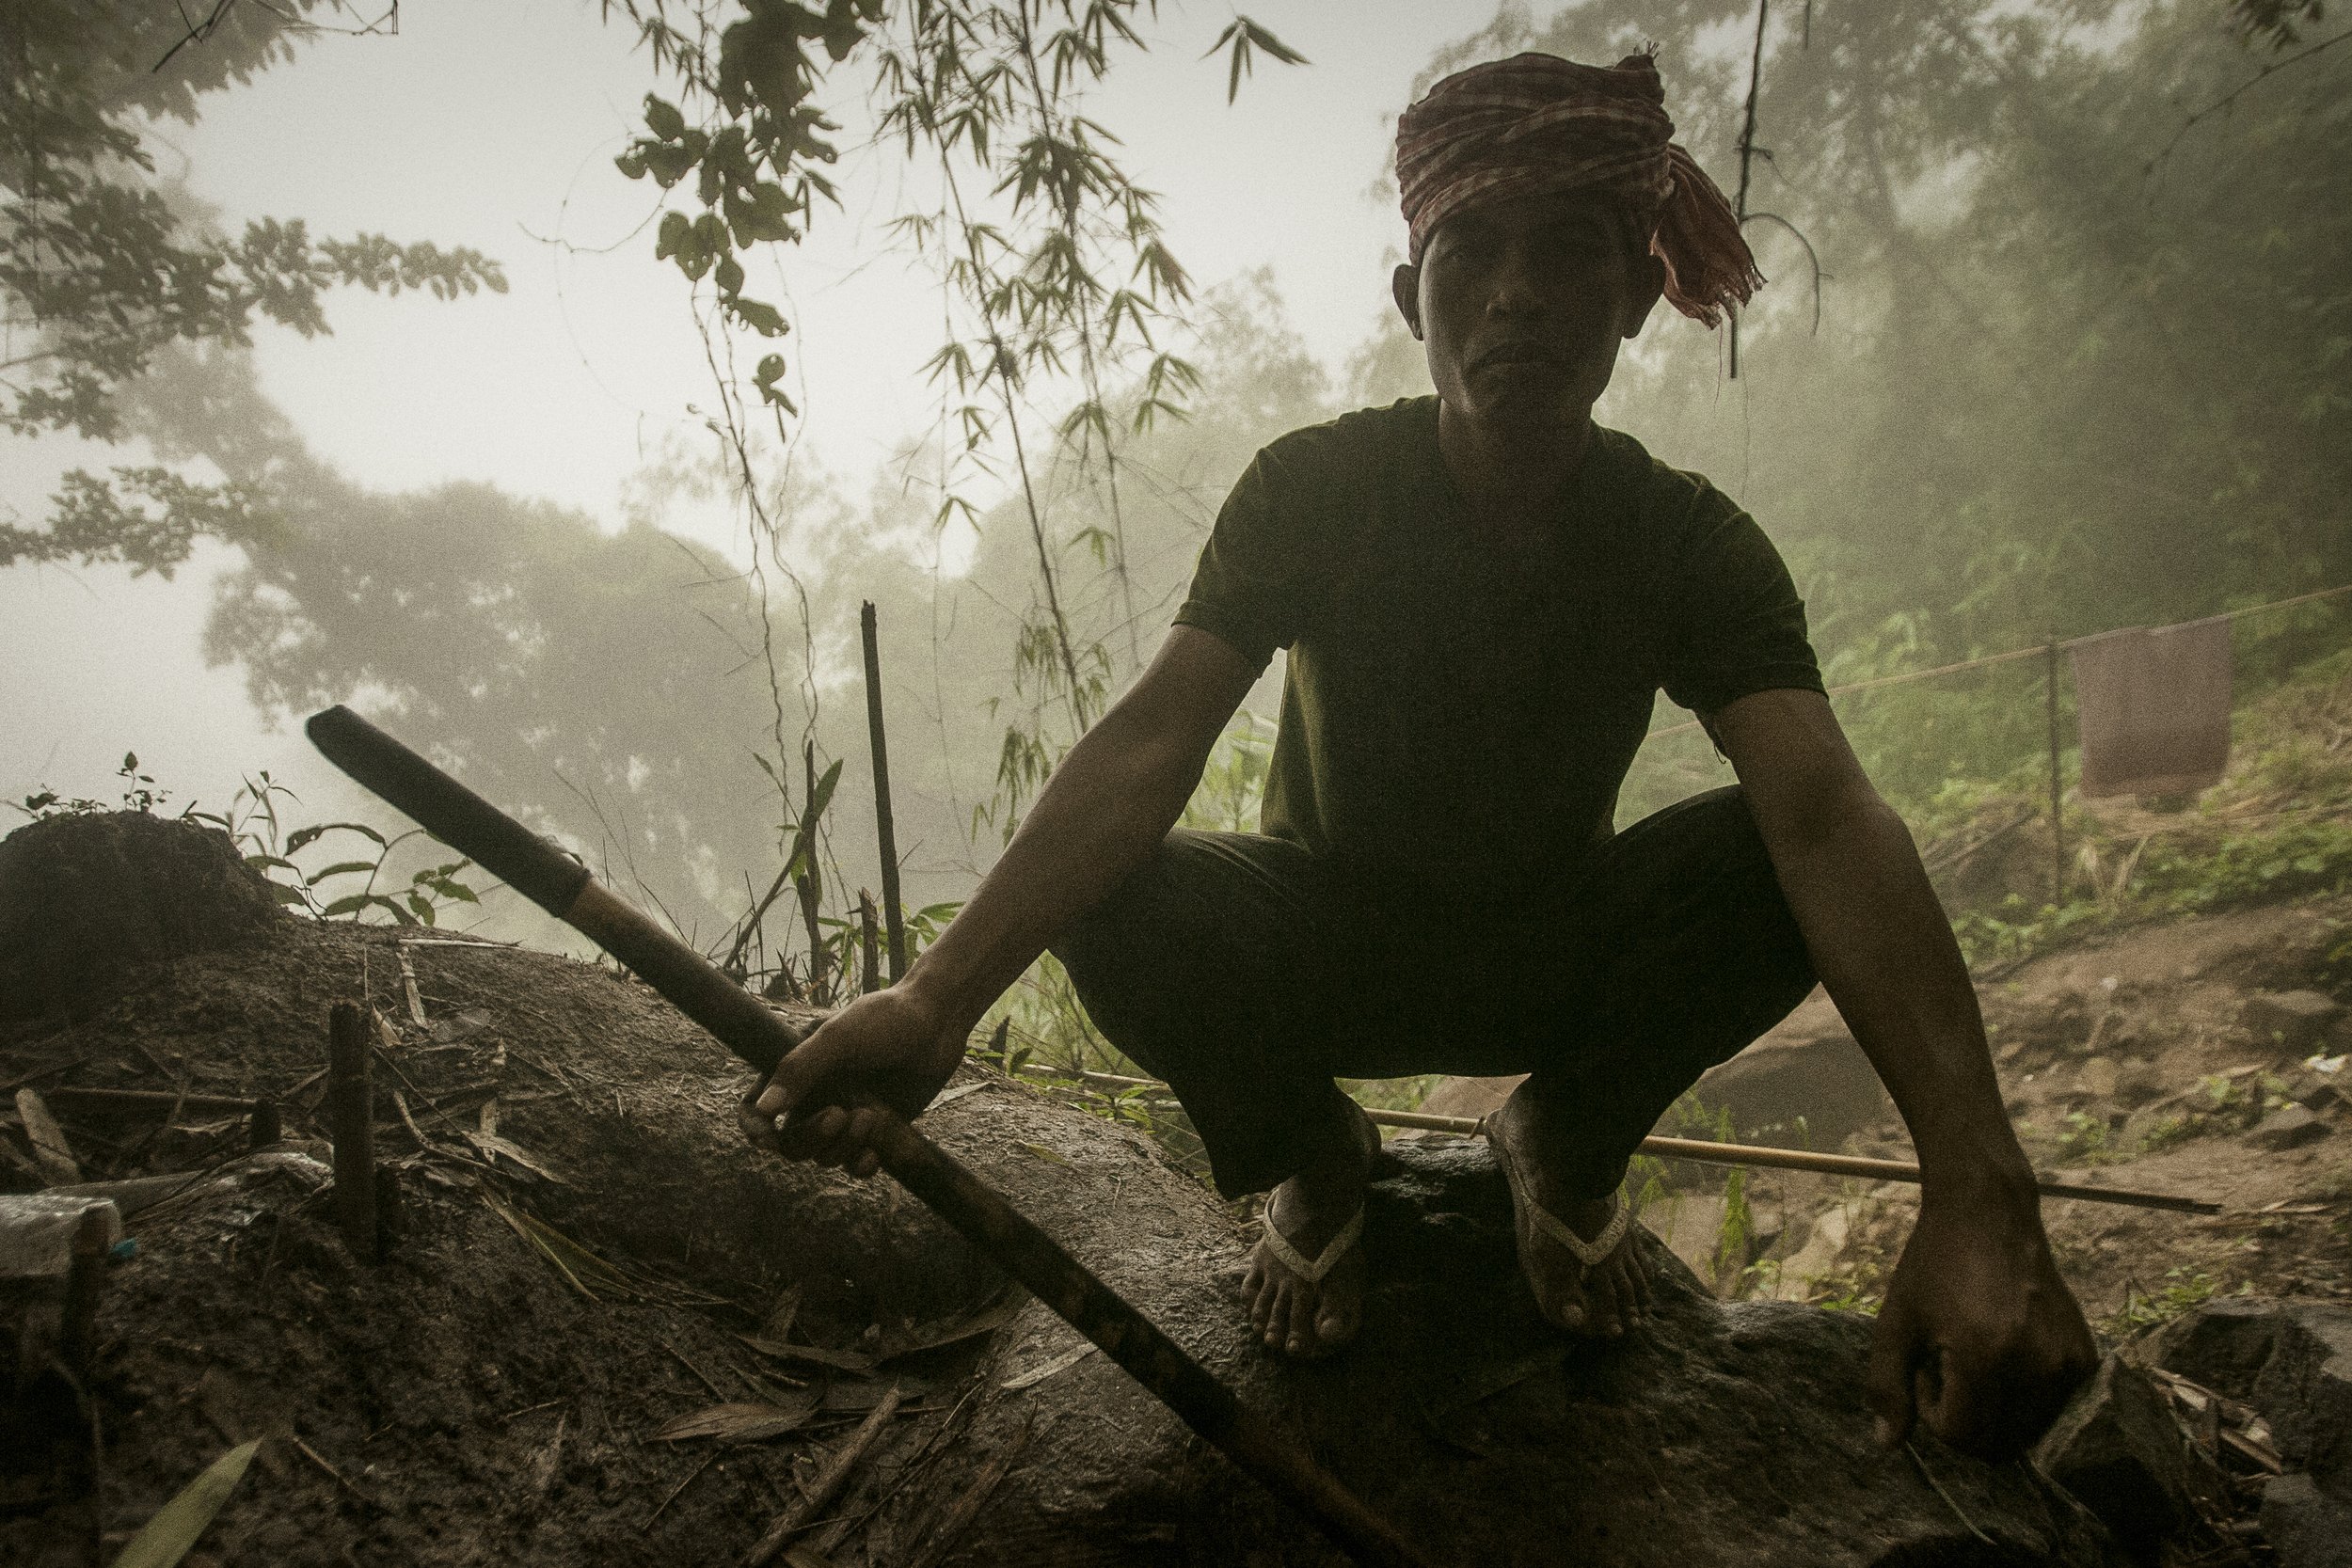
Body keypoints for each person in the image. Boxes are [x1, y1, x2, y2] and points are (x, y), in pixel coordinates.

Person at [740, 50, 2095, 1459]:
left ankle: (1561, 1147)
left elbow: (1823, 815)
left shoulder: (1686, 540)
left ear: (1635, 298)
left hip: (1554, 954)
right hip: (1325, 939)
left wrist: (1981, 1187)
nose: (1516, 291)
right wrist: (935, 1002)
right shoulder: (1317, 490)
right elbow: (1152, 740)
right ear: (1413, 300)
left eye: (1569, 252)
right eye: (1471, 252)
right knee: (1119, 893)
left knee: (1777, 865)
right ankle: (1321, 1165)